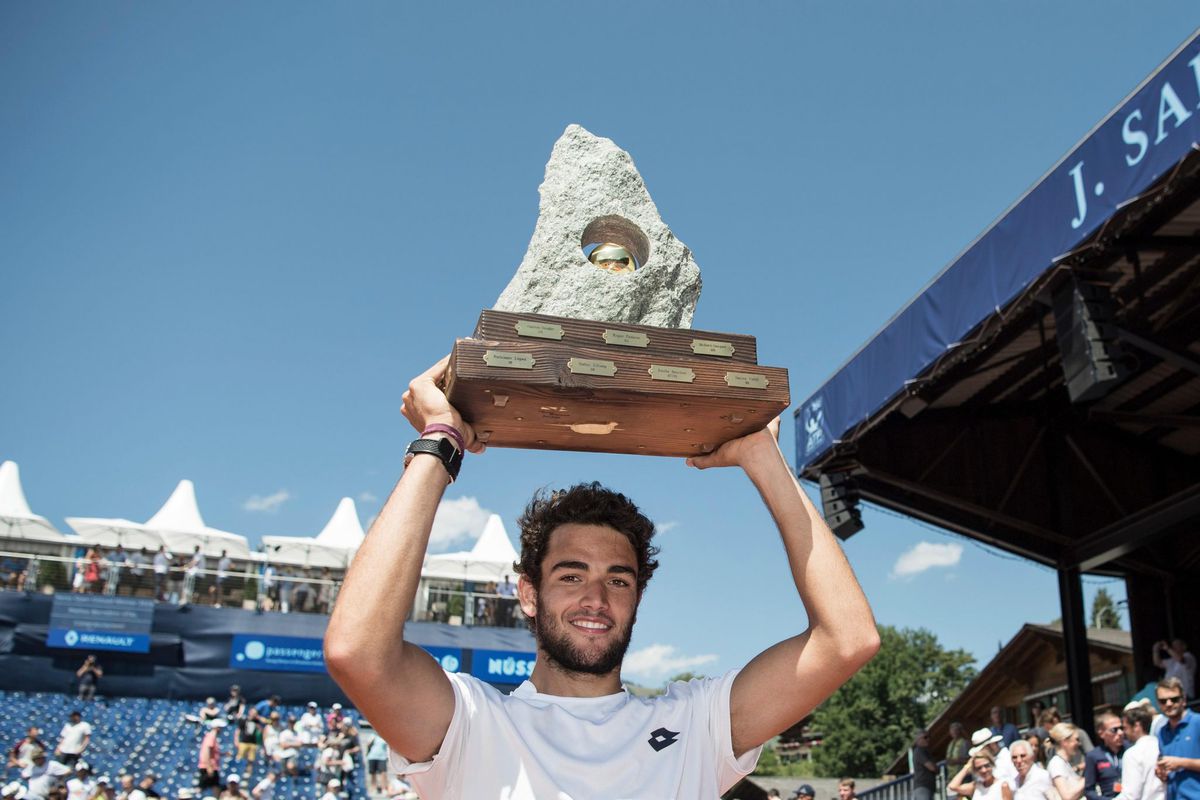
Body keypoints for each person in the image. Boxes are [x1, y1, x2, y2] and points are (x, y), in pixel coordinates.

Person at [324, 357, 880, 799]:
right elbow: (357, 652)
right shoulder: (469, 724)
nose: (595, 597)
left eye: (618, 580)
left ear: (638, 597)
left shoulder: (697, 725)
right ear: (528, 594)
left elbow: (847, 639)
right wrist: (439, 441)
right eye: (570, 576)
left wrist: (763, 457)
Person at [1154, 676, 1200, 800]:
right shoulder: (1162, 732)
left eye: (1174, 699)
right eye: (1163, 701)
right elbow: (1169, 770)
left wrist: (1180, 763)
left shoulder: (1197, 722)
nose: (1169, 704)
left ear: (1183, 700)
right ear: (1158, 704)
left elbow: (1177, 763)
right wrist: (1161, 773)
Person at [1116, 703, 1163, 800]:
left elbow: (1130, 796)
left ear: (1137, 726)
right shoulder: (1162, 746)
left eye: (1125, 728)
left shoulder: (1132, 754)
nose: (1124, 733)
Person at [1085, 711, 1126, 800]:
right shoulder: (1093, 756)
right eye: (1114, 730)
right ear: (1101, 733)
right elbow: (1089, 791)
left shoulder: (1130, 750)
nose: (1120, 733)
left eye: (1121, 728)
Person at [948, 750, 1013, 800]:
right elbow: (952, 787)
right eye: (979, 768)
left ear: (992, 764)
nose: (984, 770)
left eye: (986, 766)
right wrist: (967, 766)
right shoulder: (976, 786)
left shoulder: (1002, 785)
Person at [1049, 722, 1087, 800]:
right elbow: (1067, 796)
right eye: (1076, 740)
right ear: (1064, 742)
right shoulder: (1056, 764)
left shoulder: (1064, 763)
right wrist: (1088, 778)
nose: (1079, 743)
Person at [197, 720, 225, 792]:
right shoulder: (211, 736)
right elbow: (207, 751)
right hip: (209, 767)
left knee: (215, 787)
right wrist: (209, 767)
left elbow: (213, 752)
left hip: (211, 766)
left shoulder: (212, 737)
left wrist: (223, 754)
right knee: (205, 787)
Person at [913, 729, 938, 800]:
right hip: (923, 786)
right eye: (925, 737)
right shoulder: (919, 751)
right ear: (918, 739)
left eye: (929, 737)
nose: (928, 739)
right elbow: (932, 767)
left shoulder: (926, 751)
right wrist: (935, 768)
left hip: (928, 786)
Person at [364, 726, 388, 796]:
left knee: (383, 773)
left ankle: (384, 788)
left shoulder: (384, 736)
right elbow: (368, 745)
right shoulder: (372, 736)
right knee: (373, 774)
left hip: (382, 757)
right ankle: (373, 788)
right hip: (372, 757)